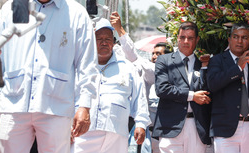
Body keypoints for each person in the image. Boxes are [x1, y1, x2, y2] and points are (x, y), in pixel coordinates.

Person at [0, 0, 98, 153]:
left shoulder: (76, 13)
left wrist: (85, 106)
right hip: (13, 102)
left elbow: (87, 64)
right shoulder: (15, 6)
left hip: (55, 104)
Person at [72, 18, 150, 153]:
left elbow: (140, 98)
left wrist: (141, 124)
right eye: (99, 39)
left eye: (108, 39)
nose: (104, 43)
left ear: (113, 43)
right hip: (83, 132)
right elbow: (67, 96)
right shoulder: (80, 66)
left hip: (115, 133)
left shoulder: (127, 68)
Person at [207, 23, 249, 153]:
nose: (239, 41)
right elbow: (213, 84)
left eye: (244, 38)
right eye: (236, 37)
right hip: (225, 129)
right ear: (229, 39)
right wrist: (238, 67)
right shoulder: (218, 60)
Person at [110, 11, 170, 153]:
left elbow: (132, 55)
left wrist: (120, 30)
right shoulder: (107, 66)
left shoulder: (144, 67)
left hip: (140, 127)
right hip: (114, 125)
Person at [152, 21, 211, 153]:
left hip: (197, 127)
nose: (185, 41)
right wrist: (192, 96)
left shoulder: (203, 64)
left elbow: (207, 92)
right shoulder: (164, 60)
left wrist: (206, 67)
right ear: (177, 38)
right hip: (171, 127)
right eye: (182, 37)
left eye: (190, 38)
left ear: (197, 40)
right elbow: (162, 89)